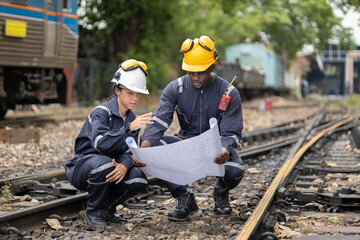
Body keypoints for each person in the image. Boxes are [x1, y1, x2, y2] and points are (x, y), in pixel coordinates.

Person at [135, 36, 245, 221]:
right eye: (190, 72)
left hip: (215, 147)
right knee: (152, 148)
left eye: (200, 72)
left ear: (212, 66)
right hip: (185, 143)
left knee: (235, 170)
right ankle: (184, 198)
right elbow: (160, 120)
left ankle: (221, 193)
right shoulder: (174, 89)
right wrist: (144, 148)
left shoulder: (229, 93)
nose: (195, 77)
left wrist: (225, 148)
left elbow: (231, 131)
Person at [64, 59, 153, 227]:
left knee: (139, 179)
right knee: (104, 164)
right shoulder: (101, 112)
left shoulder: (132, 118)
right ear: (117, 90)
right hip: (82, 167)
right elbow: (101, 144)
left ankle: (107, 209)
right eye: (130, 93)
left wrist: (125, 165)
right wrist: (128, 128)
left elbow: (130, 151)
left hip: (109, 166)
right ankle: (93, 213)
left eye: (138, 94)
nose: (135, 98)